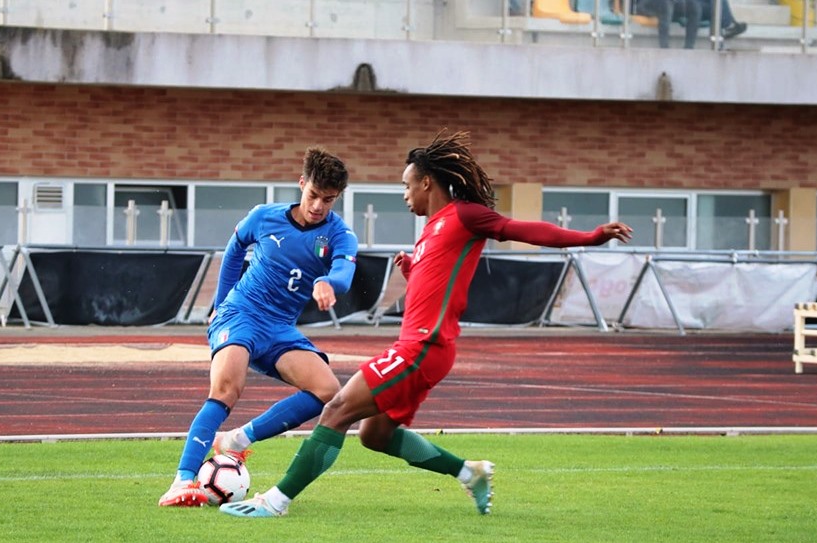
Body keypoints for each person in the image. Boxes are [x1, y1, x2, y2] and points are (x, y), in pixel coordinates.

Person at [218, 130, 633, 518]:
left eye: (406, 185)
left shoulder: (466, 215)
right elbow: (439, 287)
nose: (404, 194)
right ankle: (470, 473)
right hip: (422, 348)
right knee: (374, 436)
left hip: (423, 347)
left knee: (337, 408)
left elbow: (522, 229)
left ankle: (274, 502)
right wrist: (414, 271)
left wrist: (590, 237)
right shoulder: (430, 230)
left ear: (427, 184)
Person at [158, 146, 359, 507]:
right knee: (226, 390)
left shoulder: (339, 235)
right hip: (241, 314)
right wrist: (220, 305)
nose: (318, 206)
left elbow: (344, 272)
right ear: (302, 184)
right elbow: (235, 249)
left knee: (330, 391)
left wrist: (331, 283)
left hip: (280, 328)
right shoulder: (264, 217)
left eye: (328, 200)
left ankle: (238, 440)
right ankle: (182, 481)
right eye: (313, 195)